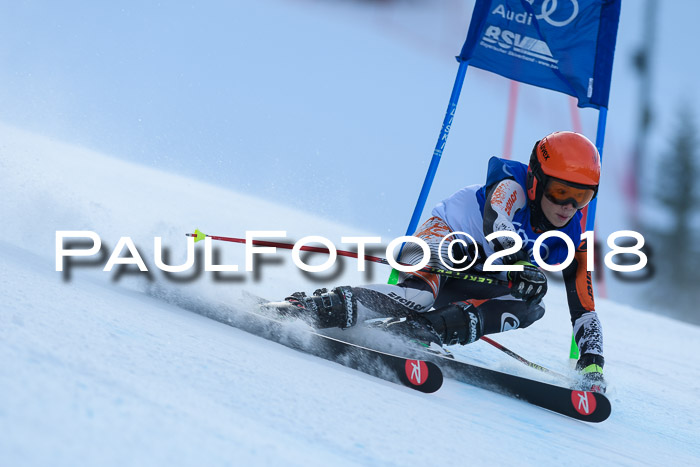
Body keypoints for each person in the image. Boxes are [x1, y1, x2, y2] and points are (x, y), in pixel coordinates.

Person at [283, 131, 606, 392]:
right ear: (536, 182)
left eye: (582, 197)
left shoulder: (574, 234)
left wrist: (592, 364)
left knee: (531, 305)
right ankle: (318, 308)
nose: (568, 206)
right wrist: (519, 263)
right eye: (561, 191)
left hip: (479, 277)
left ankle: (422, 331)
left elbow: (584, 308)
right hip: (442, 244)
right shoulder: (511, 186)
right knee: (420, 294)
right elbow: (497, 223)